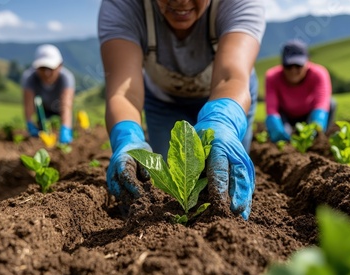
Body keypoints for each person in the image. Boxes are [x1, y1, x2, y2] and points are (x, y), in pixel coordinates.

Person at [98, 0, 265, 219]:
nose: (180, 1)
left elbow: (230, 76)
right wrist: (126, 137)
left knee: (226, 175)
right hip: (164, 101)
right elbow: (123, 91)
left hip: (229, 100)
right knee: (169, 181)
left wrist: (223, 120)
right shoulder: (123, 5)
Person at [264, 39, 336, 142]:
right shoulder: (272, 76)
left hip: (308, 114)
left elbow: (322, 102)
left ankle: (319, 140)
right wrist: (274, 123)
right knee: (283, 138)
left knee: (331, 103)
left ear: (307, 62)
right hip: (285, 116)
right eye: (288, 66)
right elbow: (272, 108)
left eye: (298, 65)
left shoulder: (319, 74)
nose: (293, 71)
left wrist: (317, 122)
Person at [22, 44, 75, 144]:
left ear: (60, 66)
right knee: (42, 129)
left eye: (50, 68)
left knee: (69, 125)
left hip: (60, 108)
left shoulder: (66, 78)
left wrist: (65, 128)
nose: (46, 73)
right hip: (44, 111)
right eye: (42, 68)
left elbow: (66, 105)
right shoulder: (29, 78)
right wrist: (30, 123)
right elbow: (28, 105)